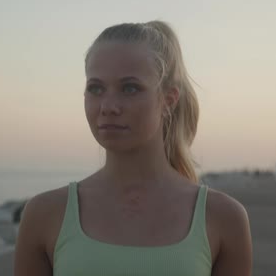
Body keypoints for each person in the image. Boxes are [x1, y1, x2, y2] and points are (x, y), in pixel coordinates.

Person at [14, 20, 252, 275]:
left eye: (129, 88)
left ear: (169, 99)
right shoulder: (45, 215)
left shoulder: (222, 219)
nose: (108, 106)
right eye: (96, 88)